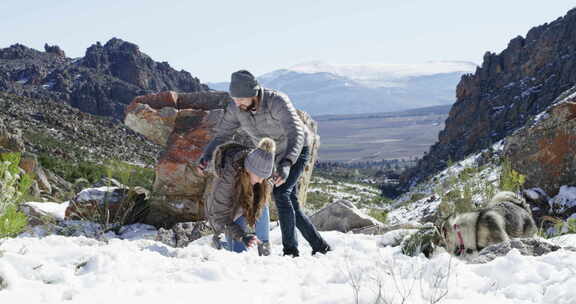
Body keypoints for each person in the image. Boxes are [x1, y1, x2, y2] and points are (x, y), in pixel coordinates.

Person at [198, 70, 330, 257]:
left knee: (281, 193)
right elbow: (223, 134)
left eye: (241, 99)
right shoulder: (237, 108)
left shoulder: (276, 101)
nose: (237, 103)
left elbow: (296, 133)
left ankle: (290, 252)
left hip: (297, 149)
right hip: (270, 158)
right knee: (290, 202)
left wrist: (286, 163)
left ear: (254, 93)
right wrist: (208, 153)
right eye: (234, 99)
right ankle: (320, 246)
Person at [206, 138, 276, 256]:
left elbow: (261, 191)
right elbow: (219, 218)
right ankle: (224, 244)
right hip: (226, 214)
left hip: (244, 203)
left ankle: (264, 250)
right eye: (258, 176)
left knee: (262, 204)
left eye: (264, 177)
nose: (261, 180)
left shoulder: (261, 171)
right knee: (238, 251)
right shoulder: (227, 179)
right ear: (248, 169)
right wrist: (242, 236)